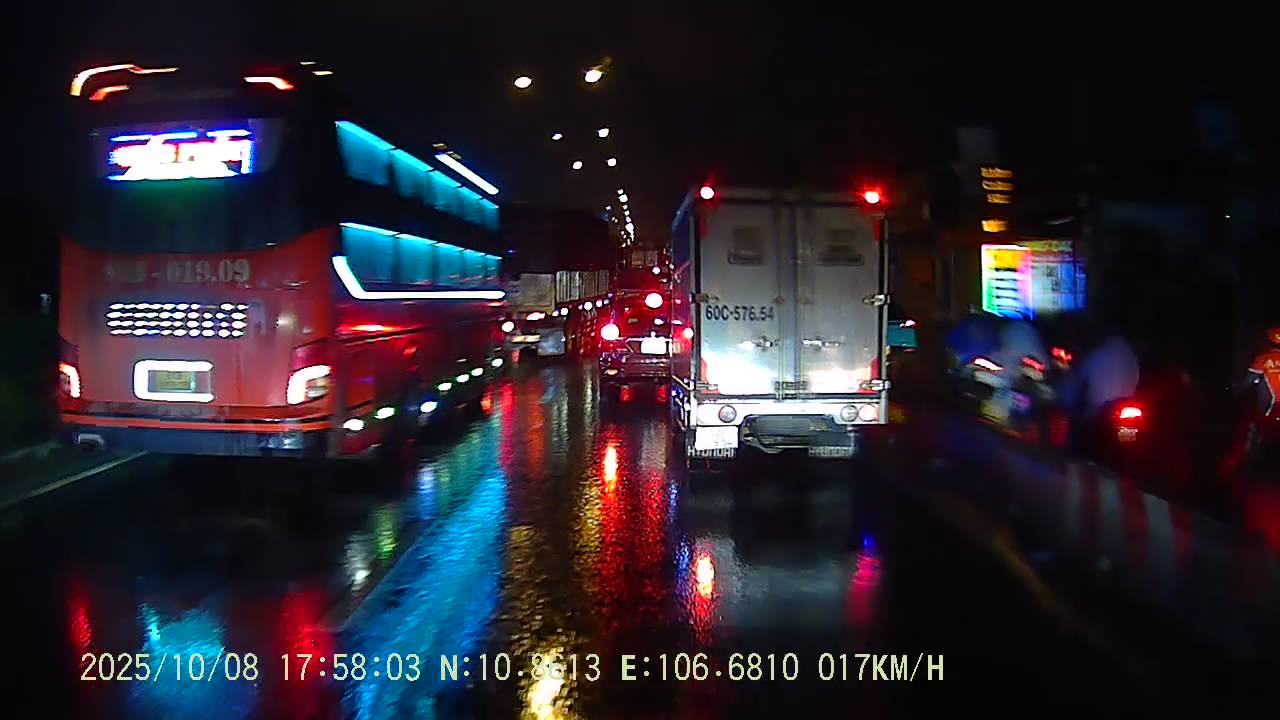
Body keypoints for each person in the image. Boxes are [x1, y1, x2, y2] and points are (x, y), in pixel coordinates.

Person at [1057, 324, 1141, 443]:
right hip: (1126, 407)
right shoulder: (1129, 353)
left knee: (1079, 432)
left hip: (1101, 410)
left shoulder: (1096, 354)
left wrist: (1064, 401)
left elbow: (1074, 383)